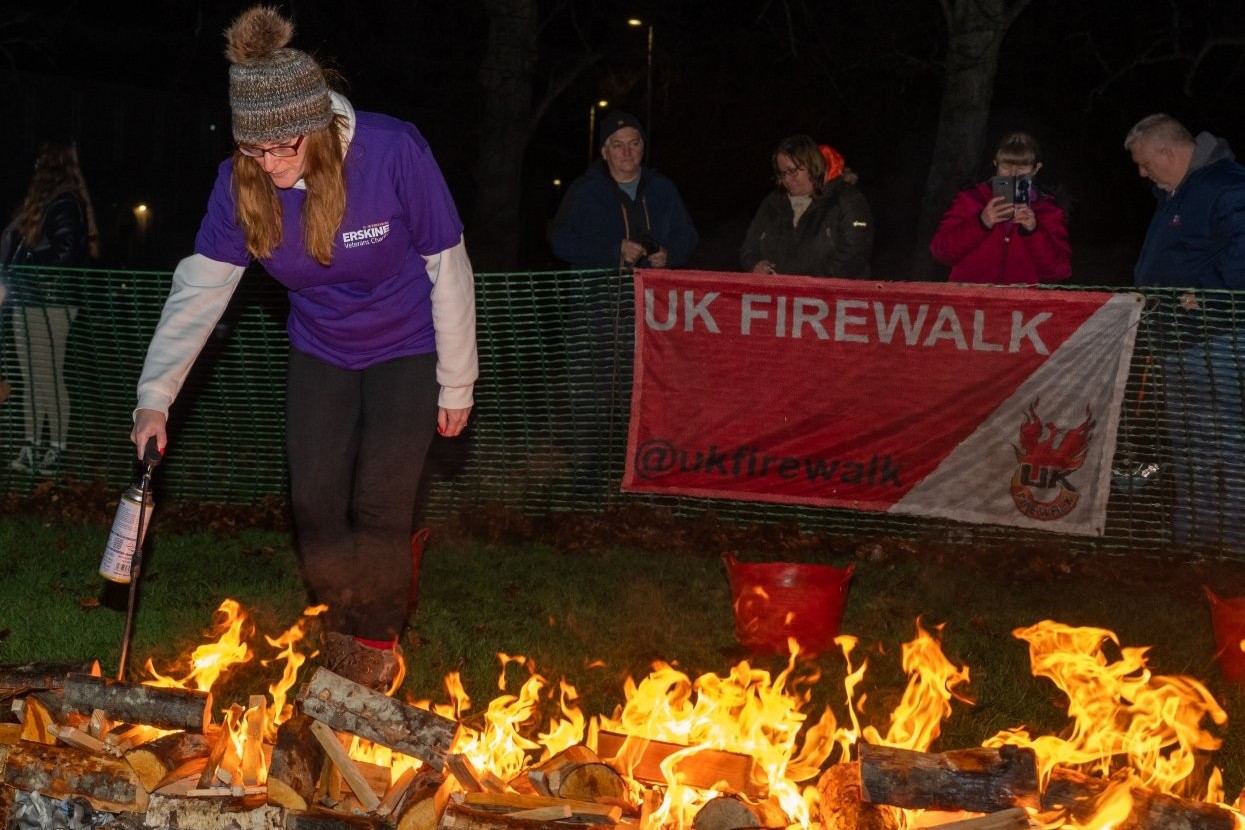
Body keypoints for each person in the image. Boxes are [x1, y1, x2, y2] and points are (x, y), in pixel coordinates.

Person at [129, 6, 478, 691]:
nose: (271, 163)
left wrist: (456, 381)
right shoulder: (242, 183)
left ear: (317, 126)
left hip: (407, 347)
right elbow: (199, 290)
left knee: (380, 503)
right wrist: (153, 399)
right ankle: (340, 618)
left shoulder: (392, 150)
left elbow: (448, 262)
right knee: (316, 500)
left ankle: (373, 647)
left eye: (284, 147)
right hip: (320, 348)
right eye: (255, 151)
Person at [1125, 113, 1245, 550]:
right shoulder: (1176, 193)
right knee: (1190, 443)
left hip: (1219, 340)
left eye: (1144, 163)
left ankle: (1230, 544)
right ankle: (1194, 538)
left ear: (1168, 153)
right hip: (1179, 340)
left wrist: (1210, 293)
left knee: (1225, 441)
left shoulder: (1226, 184)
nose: (1142, 173)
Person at [0, 139, 100, 477]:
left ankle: (55, 447)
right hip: (29, 299)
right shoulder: (43, 204)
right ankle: (31, 446)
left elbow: (66, 251)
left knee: (48, 377)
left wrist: (24, 263)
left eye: (40, 163)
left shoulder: (64, 202)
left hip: (52, 302)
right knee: (28, 378)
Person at [551, 110, 698, 270]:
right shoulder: (584, 191)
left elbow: (687, 235)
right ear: (604, 152)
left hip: (651, 291)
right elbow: (560, 240)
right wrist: (614, 251)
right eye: (618, 145)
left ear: (642, 147)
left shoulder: (662, 188)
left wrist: (670, 254)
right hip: (598, 292)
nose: (627, 153)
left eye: (634, 144)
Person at [929, 132, 1070, 284]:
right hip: (968, 300)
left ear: (1036, 169)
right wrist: (981, 223)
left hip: (1019, 304)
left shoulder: (1048, 210)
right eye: (1006, 166)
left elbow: (1059, 271)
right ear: (995, 164)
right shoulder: (971, 199)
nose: (1013, 174)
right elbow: (941, 253)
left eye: (1023, 167)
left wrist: (1033, 231)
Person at [740, 136, 874, 278]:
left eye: (792, 171)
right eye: (782, 173)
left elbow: (854, 255)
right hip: (780, 296)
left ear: (812, 166)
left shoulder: (846, 199)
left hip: (832, 297)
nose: (786, 179)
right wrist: (754, 264)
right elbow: (749, 247)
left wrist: (803, 284)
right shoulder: (773, 203)